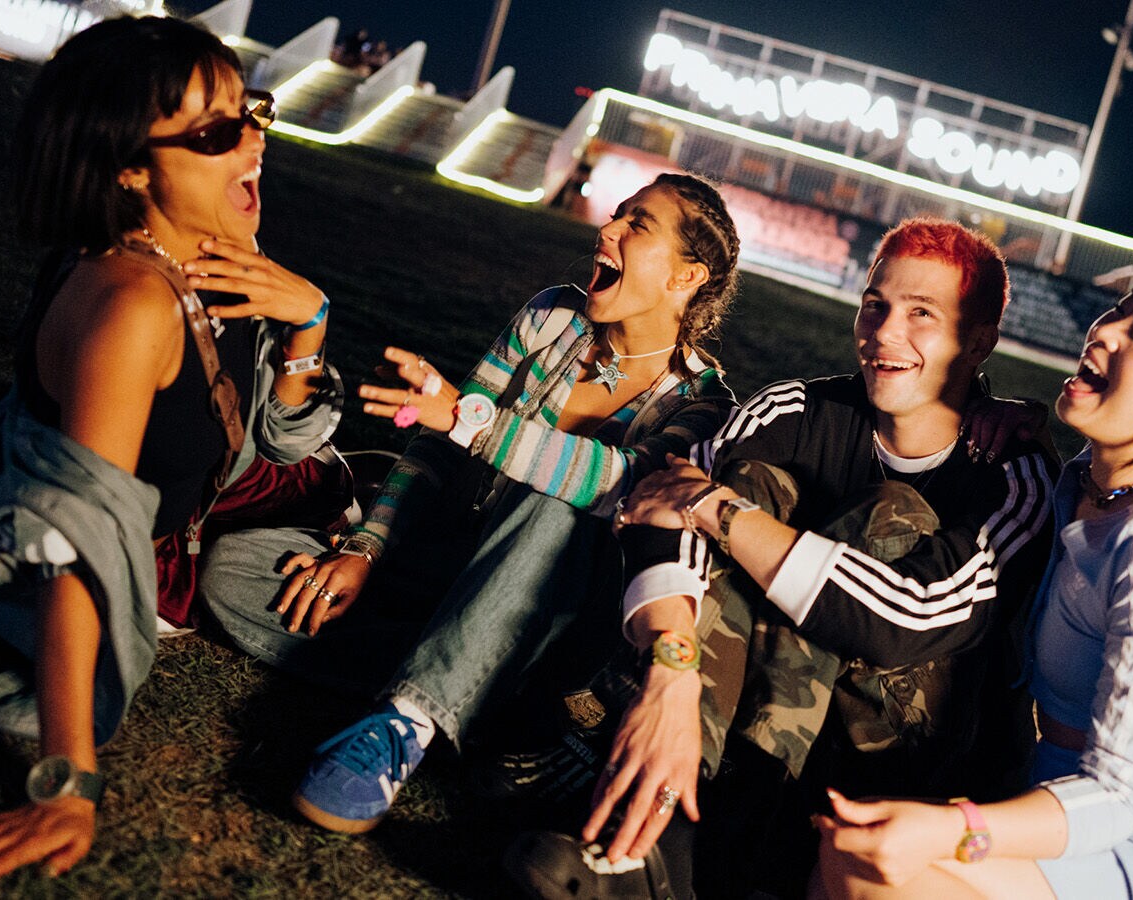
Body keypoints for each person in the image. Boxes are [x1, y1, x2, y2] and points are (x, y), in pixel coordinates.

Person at [0, 17, 347, 895]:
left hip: (226, 504)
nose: (256, 140)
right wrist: (66, 779)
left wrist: (308, 321)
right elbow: (76, 538)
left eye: (251, 111)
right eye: (217, 131)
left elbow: (274, 435)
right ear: (129, 167)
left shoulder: (213, 251)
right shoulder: (131, 307)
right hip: (152, 548)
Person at [199, 173, 743, 832]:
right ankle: (479, 696)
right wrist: (365, 549)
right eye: (619, 214)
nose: (608, 230)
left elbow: (614, 482)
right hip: (450, 569)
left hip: (552, 622)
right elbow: (437, 449)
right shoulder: (553, 317)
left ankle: (410, 721)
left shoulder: (703, 403)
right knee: (237, 568)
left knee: (561, 498)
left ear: (686, 276)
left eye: (639, 225)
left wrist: (474, 421)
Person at [540, 218, 1058, 898]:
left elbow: (910, 617)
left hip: (905, 758)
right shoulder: (797, 408)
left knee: (879, 518)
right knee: (753, 488)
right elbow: (658, 505)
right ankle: (660, 836)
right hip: (737, 705)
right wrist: (670, 665)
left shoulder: (1011, 471)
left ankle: (727, 842)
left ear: (979, 341)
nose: (884, 332)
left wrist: (726, 514)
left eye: (922, 314)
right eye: (876, 304)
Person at [811, 259, 1133, 899]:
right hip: (1057, 802)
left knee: (878, 870)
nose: (1107, 332)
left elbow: (1121, 796)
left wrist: (953, 828)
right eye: (1123, 306)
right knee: (845, 850)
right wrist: (1007, 420)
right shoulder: (1083, 481)